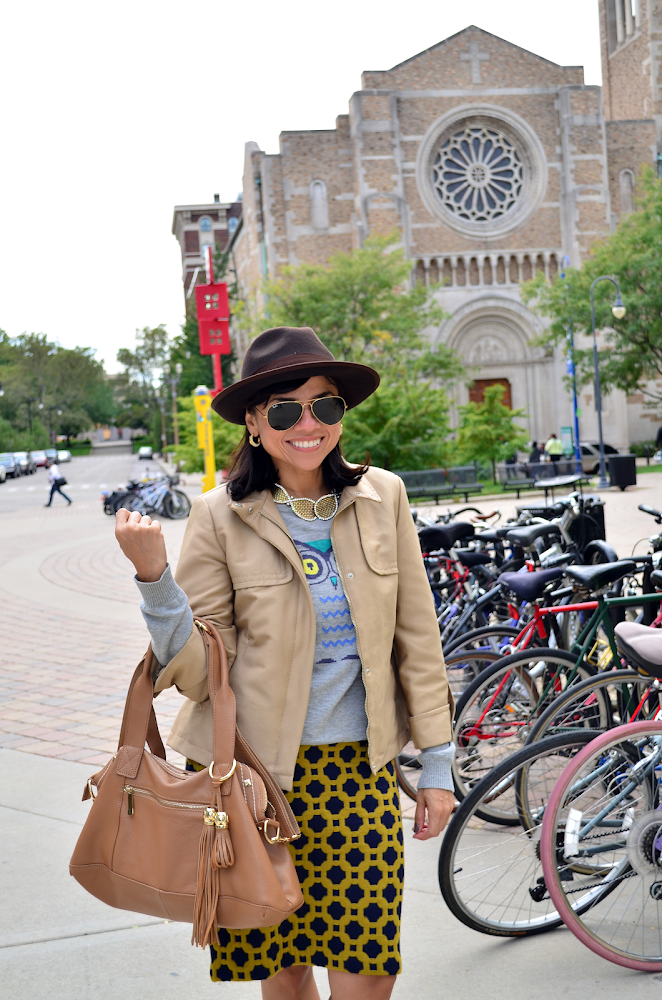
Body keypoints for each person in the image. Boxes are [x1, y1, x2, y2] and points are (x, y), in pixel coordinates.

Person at [115, 326, 455, 1000]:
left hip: (359, 776)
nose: (309, 424)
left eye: (325, 406)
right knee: (287, 966)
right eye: (285, 409)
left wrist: (438, 766)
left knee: (368, 970)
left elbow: (419, 640)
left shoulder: (383, 497)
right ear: (253, 420)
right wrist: (155, 579)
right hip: (256, 779)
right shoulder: (220, 516)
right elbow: (194, 667)